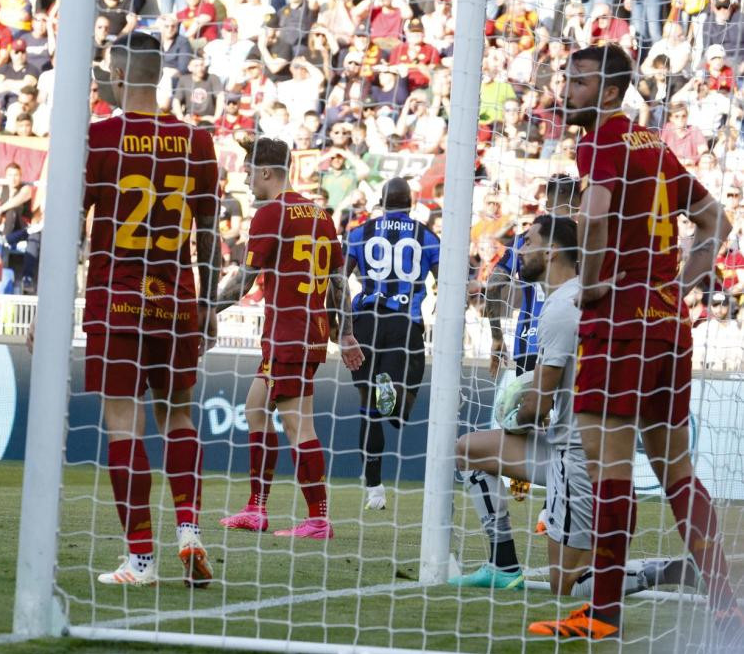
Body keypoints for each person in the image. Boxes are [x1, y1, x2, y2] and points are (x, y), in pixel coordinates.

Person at [528, 45, 740, 642]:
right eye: (566, 79)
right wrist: (682, 283)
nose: (567, 89)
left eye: (580, 81)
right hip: (668, 324)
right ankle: (725, 602)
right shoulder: (656, 146)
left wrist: (592, 283)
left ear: (611, 91)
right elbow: (716, 221)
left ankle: (603, 613)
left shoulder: (602, 142)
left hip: (617, 324)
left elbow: (593, 219)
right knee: (676, 471)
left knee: (608, 471)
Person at [30, 31, 220, 588]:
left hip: (116, 299)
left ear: (115, 79)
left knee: (123, 428)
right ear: (158, 77)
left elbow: (67, 228)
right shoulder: (197, 142)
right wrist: (207, 301)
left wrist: (49, 306)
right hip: (178, 297)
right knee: (178, 415)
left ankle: (140, 560)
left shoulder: (97, 138)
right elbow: (205, 231)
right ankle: (189, 529)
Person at [454, 214, 695, 596]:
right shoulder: (579, 296)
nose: (520, 250)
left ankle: (666, 572)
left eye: (529, 242)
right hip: (570, 444)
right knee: (468, 450)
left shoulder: (563, 307)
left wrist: (515, 415)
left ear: (552, 251)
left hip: (577, 456)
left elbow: (539, 403)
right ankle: (503, 564)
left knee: (566, 584)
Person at [216, 137, 363, 538]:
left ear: (265, 172)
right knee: (255, 407)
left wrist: (204, 311)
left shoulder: (269, 215)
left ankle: (318, 519)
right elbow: (338, 283)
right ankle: (256, 508)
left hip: (288, 334)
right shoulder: (319, 213)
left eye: (248, 171)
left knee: (300, 426)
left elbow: (244, 281)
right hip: (307, 331)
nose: (245, 179)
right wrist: (344, 333)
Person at [345, 177, 439, 511]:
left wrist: (341, 324)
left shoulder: (359, 232)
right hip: (405, 321)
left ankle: (374, 489)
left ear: (382, 202)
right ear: (411, 202)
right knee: (409, 386)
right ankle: (399, 405)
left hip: (366, 321)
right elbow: (445, 278)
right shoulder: (427, 236)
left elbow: (339, 278)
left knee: (367, 409)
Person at [485, 174, 580, 377]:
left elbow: (492, 285)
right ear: (577, 200)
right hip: (572, 340)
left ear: (547, 202)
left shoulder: (524, 241)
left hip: (530, 344)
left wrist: (497, 337)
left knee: (532, 407)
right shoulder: (585, 241)